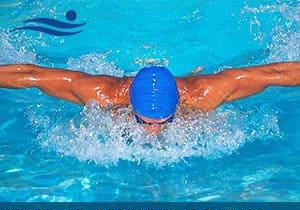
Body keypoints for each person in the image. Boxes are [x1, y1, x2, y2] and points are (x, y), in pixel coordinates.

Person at [0, 62, 299, 134]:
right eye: (143, 121)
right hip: (117, 85)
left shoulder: (204, 94)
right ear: (130, 105)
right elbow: (31, 75)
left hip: (191, 84)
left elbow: (273, 74)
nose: (153, 131)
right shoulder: (101, 93)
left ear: (177, 108)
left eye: (163, 122)